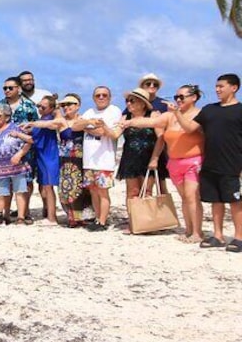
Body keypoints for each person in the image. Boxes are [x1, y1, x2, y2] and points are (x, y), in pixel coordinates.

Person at [121, 84, 205, 243]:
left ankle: (197, 232)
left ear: (193, 98)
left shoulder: (200, 114)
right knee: (184, 198)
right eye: (176, 97)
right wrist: (129, 123)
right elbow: (150, 122)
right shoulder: (169, 116)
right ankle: (189, 230)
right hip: (175, 161)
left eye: (182, 97)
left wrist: (177, 113)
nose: (178, 100)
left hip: (193, 160)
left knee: (192, 196)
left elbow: (189, 128)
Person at [171, 74, 242, 251]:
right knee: (215, 201)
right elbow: (189, 129)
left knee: (235, 202)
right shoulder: (209, 109)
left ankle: (239, 237)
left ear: (234, 88)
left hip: (232, 164)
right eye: (216, 86)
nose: (217, 89)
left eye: (221, 86)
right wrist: (177, 113)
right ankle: (217, 236)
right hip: (210, 163)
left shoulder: (240, 110)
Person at [27, 94, 86, 228]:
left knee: (81, 187)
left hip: (80, 157)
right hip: (64, 157)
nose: (66, 107)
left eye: (70, 104)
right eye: (64, 104)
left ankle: (83, 216)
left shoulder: (82, 119)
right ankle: (70, 217)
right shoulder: (61, 119)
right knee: (67, 188)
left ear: (78, 106)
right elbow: (49, 124)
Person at [74, 86, 122, 232]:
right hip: (89, 160)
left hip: (104, 160)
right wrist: (89, 124)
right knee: (93, 191)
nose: (101, 97)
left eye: (104, 95)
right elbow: (75, 126)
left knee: (103, 192)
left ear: (110, 97)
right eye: (98, 95)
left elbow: (103, 132)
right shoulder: (90, 112)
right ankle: (97, 218)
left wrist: (87, 127)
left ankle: (102, 221)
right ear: (94, 98)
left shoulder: (114, 111)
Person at [116, 88, 162, 233]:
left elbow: (161, 138)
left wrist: (155, 158)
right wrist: (102, 128)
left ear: (143, 103)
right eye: (127, 100)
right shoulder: (125, 117)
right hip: (130, 157)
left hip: (149, 157)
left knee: (147, 191)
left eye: (132, 100)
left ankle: (147, 223)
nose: (128, 103)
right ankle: (134, 223)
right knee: (132, 192)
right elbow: (115, 134)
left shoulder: (153, 115)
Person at [24, 95, 60, 224]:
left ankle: (52, 217)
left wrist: (18, 134)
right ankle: (49, 214)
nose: (40, 108)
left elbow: (32, 140)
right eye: (38, 106)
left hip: (49, 155)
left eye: (43, 107)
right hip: (42, 156)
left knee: (48, 188)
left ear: (51, 108)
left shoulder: (50, 120)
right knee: (45, 187)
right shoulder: (42, 120)